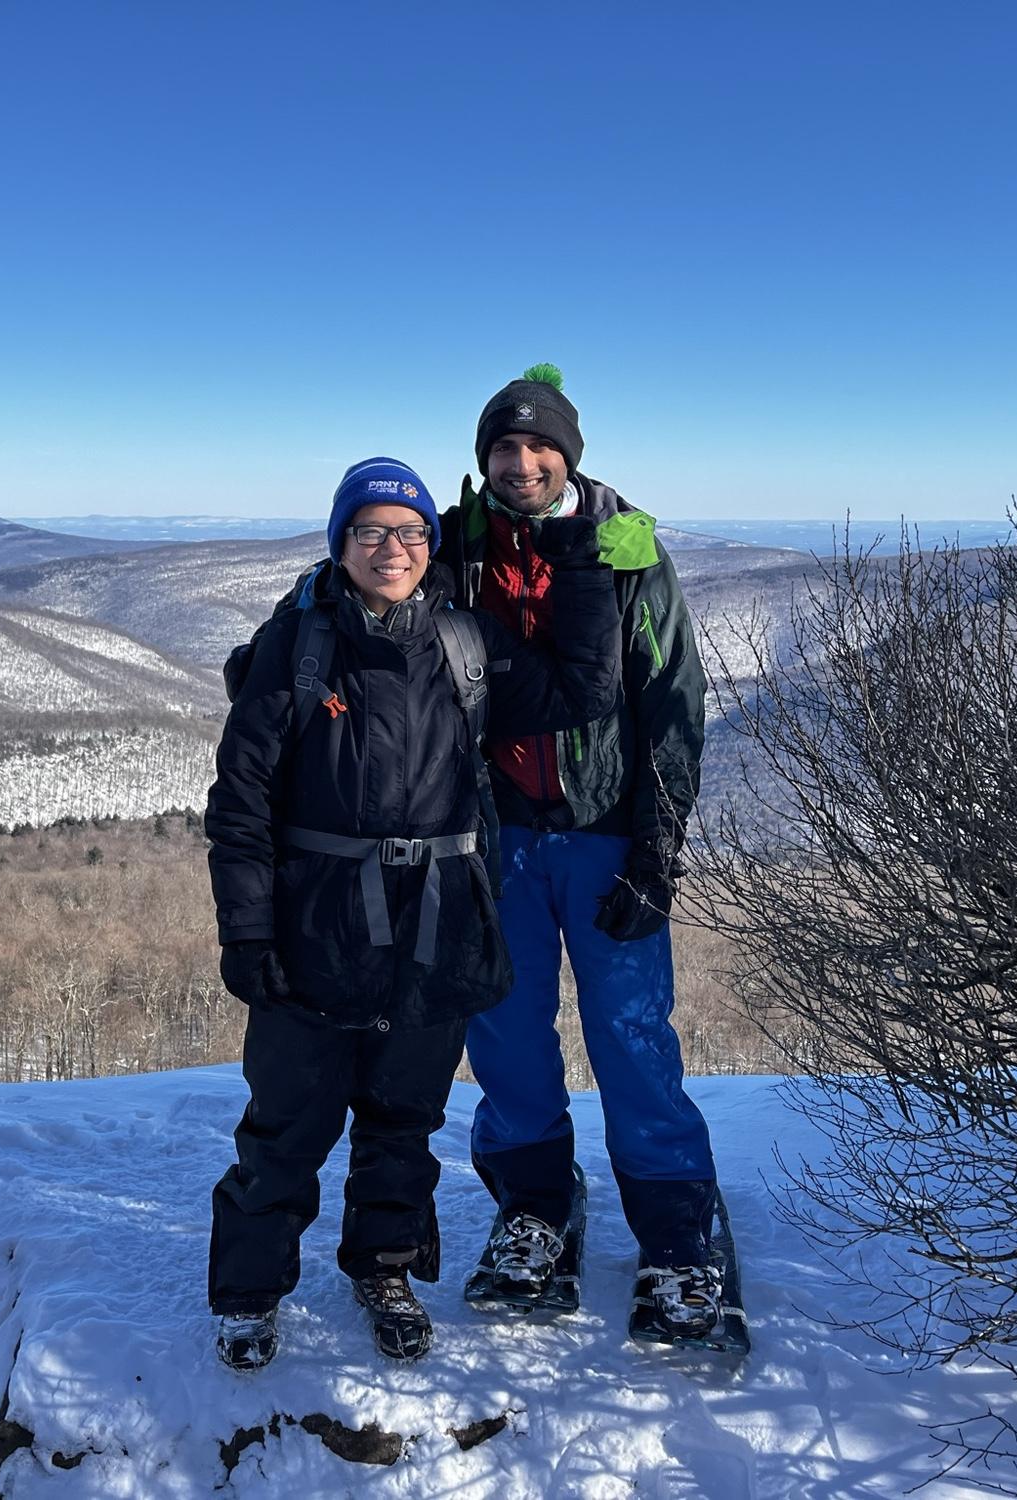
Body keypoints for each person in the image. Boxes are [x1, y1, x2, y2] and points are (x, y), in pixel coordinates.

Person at [205, 455, 618, 1371]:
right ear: (341, 543)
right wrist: (247, 930)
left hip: (434, 928)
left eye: (411, 533)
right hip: (317, 926)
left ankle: (384, 1270)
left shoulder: (466, 646)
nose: (392, 549)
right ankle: (248, 1291)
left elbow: (583, 691)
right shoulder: (300, 646)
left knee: (402, 1122)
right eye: (371, 532)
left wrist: (583, 560)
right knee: (288, 1124)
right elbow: (240, 805)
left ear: (431, 546)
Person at [440, 365, 719, 1337]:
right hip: (497, 838)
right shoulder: (454, 545)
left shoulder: (625, 548)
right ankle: (535, 1210)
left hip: (605, 836)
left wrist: (658, 852)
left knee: (632, 1036)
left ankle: (680, 1239)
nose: (521, 463)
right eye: (504, 449)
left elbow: (674, 706)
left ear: (569, 456)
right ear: (485, 460)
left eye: (538, 447)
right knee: (507, 1035)